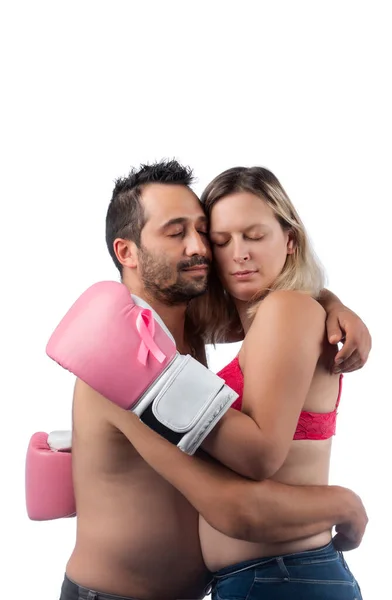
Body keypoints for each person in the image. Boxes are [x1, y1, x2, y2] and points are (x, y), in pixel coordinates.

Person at [51, 160, 370, 600]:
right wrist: (345, 505)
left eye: (203, 232)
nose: (199, 247)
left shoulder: (188, 338)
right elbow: (231, 506)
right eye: (176, 232)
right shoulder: (121, 361)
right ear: (127, 253)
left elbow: (283, 310)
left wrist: (334, 303)